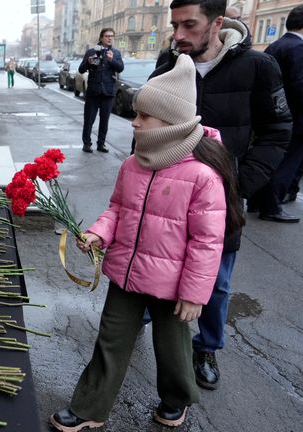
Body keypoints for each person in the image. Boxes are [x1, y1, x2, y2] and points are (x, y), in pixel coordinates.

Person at [50, 54, 244, 431]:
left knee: (173, 350)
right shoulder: (133, 164)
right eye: (136, 115)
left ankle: (177, 398)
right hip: (126, 273)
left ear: (170, 123)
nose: (135, 122)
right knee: (110, 340)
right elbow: (117, 210)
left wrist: (194, 293)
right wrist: (98, 232)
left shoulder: (202, 176)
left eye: (143, 117)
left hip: (173, 286)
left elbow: (208, 242)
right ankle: (90, 406)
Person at [150, 0, 292, 391]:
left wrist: (238, 184)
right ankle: (149, 321)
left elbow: (278, 130)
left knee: (215, 283)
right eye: (174, 25)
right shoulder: (167, 67)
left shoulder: (258, 67)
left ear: (216, 23)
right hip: (167, 197)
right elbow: (147, 129)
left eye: (189, 25)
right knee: (157, 265)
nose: (178, 35)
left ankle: (207, 347)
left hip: (224, 202)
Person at [248, 6, 303, 222]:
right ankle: (271, 207)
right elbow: (300, 86)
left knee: (268, 159)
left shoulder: (274, 46)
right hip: (294, 120)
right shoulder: (298, 49)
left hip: (268, 116)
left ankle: (255, 201)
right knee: (286, 163)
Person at [79, 28, 124, 153]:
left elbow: (120, 68)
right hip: (93, 91)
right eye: (107, 36)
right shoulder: (91, 52)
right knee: (89, 119)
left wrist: (111, 60)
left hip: (108, 92)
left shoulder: (116, 53)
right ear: (101, 38)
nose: (110, 38)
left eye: (112, 36)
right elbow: (81, 69)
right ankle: (87, 144)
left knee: (104, 120)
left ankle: (101, 144)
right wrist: (88, 62)